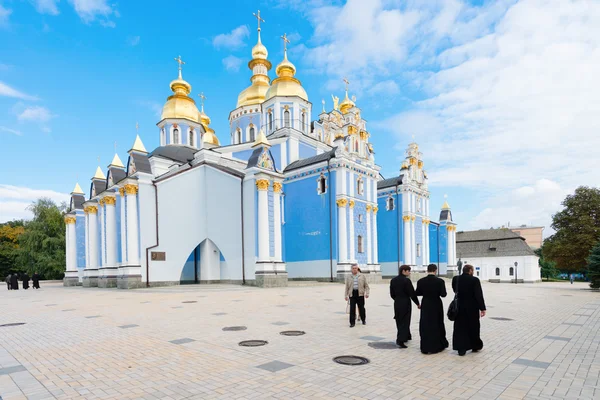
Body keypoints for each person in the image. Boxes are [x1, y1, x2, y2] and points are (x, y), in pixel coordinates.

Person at [451, 264, 486, 356]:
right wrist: (482, 308)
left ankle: (461, 348)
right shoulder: (474, 280)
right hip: (472, 307)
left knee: (460, 327)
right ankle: (475, 345)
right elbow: (478, 295)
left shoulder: (456, 279)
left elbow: (455, 290)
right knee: (473, 326)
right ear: (470, 271)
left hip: (459, 306)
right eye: (472, 270)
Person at [415, 264, 449, 354]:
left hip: (426, 303)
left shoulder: (421, 281)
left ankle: (425, 346)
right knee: (437, 323)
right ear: (435, 270)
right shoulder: (440, 281)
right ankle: (437, 345)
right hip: (436, 304)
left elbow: (418, 293)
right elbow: (443, 294)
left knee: (425, 324)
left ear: (427, 270)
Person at [390, 265, 420, 348]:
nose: (409, 272)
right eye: (408, 271)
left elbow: (392, 294)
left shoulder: (393, 280)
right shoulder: (406, 281)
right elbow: (412, 294)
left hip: (397, 302)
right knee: (405, 320)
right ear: (403, 271)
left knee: (399, 319)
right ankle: (400, 340)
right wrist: (417, 303)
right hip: (405, 302)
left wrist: (397, 299)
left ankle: (407, 335)